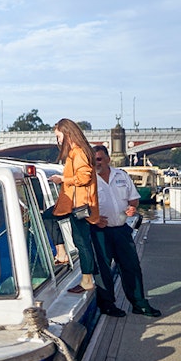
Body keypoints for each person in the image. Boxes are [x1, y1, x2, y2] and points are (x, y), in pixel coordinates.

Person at [91, 145, 162, 317]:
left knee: (131, 267)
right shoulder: (89, 179)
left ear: (108, 159)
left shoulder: (121, 175)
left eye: (99, 159)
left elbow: (134, 199)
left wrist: (131, 208)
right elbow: (83, 205)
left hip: (121, 229)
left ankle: (139, 304)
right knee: (103, 271)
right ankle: (108, 305)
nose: (96, 163)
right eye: (94, 160)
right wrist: (93, 219)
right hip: (100, 231)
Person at [48, 119, 102, 297]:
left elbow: (84, 177)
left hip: (78, 205)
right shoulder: (80, 151)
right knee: (81, 241)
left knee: (82, 242)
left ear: (67, 133)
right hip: (78, 204)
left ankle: (86, 279)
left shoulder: (78, 152)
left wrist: (62, 179)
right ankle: (63, 255)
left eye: (58, 136)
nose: (58, 141)